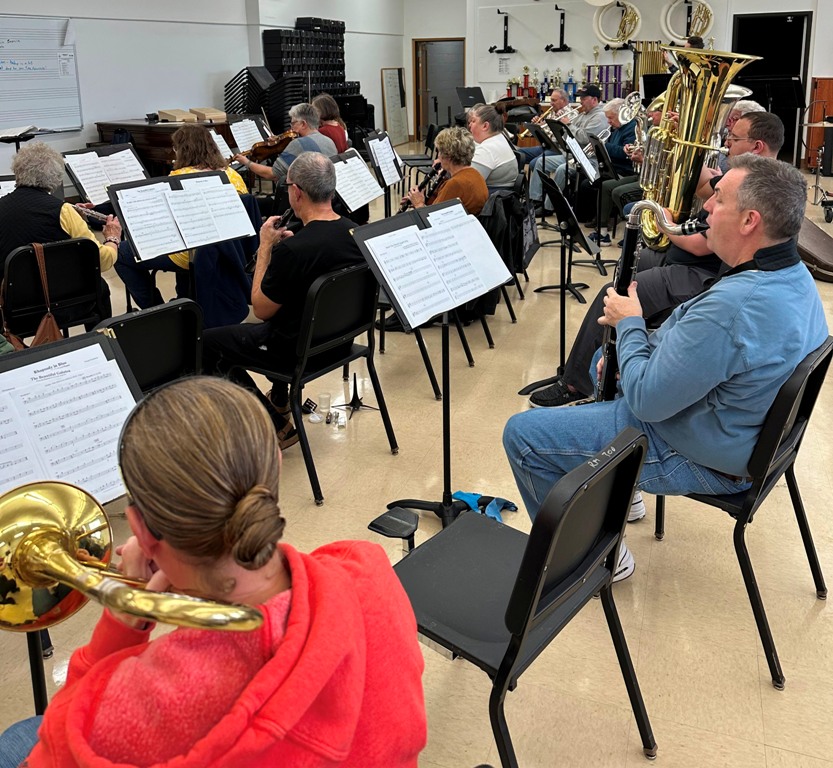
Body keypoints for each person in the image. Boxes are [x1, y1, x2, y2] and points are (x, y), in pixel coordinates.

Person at [0, 376, 427, 767]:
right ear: (275, 470)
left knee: (17, 738)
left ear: (139, 530)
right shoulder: (365, 568)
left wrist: (120, 621)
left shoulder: (138, 707)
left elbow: (56, 744)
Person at [505, 154, 827, 582]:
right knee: (606, 361)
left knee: (523, 435)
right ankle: (619, 495)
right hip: (741, 433)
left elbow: (646, 401)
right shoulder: (793, 274)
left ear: (750, 221)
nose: (706, 207)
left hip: (700, 451)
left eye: (719, 199)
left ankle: (595, 560)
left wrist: (630, 323)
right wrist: (633, 351)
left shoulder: (733, 309)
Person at [530, 111, 786, 409]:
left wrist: (665, 223)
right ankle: (601, 364)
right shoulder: (746, 173)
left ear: (756, 146)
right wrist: (683, 141)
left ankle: (576, 384)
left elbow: (701, 246)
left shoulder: (760, 188)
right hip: (684, 261)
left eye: (734, 138)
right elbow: (702, 184)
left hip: (700, 274)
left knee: (614, 293)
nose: (727, 142)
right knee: (626, 267)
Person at [201, 153, 364, 449]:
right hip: (339, 343)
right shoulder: (356, 232)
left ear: (297, 192)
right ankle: (279, 399)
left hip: (297, 352)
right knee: (289, 310)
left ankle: (275, 425)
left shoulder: (294, 250)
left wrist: (265, 248)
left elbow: (261, 309)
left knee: (207, 343)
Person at [113, 124, 248, 309]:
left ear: (183, 150)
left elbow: (164, 222)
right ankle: (184, 297)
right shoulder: (232, 175)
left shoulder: (178, 177)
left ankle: (156, 310)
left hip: (193, 253)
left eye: (175, 148)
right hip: (230, 250)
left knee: (121, 253)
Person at [0, 141, 121, 321]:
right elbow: (102, 261)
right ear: (56, 178)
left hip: (12, 308)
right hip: (61, 304)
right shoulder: (63, 211)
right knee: (99, 285)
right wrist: (112, 238)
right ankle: (99, 335)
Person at [529, 85, 608, 213]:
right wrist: (555, 126)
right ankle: (536, 200)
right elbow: (568, 134)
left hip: (587, 158)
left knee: (562, 169)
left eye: (583, 98)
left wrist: (569, 124)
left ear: (594, 99)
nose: (580, 101)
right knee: (541, 162)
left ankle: (548, 207)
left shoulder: (600, 116)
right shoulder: (583, 115)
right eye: (580, 98)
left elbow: (585, 138)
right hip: (573, 154)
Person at [237, 103, 337, 183]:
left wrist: (247, 162)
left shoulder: (298, 143)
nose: (291, 128)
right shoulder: (330, 141)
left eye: (293, 123)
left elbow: (273, 174)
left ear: (303, 124)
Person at [402, 126, 488, 215]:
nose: (438, 156)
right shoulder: (476, 174)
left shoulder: (455, 184)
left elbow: (433, 218)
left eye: (439, 152)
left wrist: (418, 204)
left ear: (448, 156)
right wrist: (418, 199)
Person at [467, 103, 518, 187]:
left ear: (485, 126)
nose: (470, 125)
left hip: (492, 193)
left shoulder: (487, 150)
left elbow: (467, 184)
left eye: (473, 121)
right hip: (503, 191)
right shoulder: (499, 138)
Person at [518, 88, 571, 166]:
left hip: (558, 150)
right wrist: (536, 126)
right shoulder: (553, 112)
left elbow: (556, 138)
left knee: (534, 163)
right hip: (547, 147)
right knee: (519, 154)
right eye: (551, 100)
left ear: (563, 100)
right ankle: (521, 174)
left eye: (554, 100)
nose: (551, 103)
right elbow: (544, 134)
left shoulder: (570, 114)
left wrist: (542, 128)